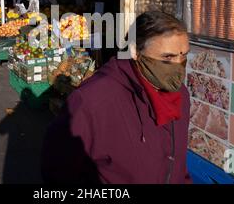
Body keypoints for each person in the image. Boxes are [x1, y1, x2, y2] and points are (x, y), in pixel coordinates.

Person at [41, 11, 192, 184]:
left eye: (184, 55)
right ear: (135, 51)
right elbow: (57, 171)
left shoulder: (181, 96)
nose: (178, 65)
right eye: (168, 57)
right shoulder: (93, 100)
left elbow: (177, 162)